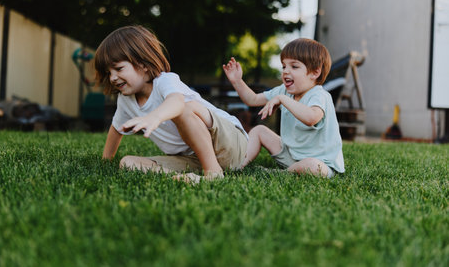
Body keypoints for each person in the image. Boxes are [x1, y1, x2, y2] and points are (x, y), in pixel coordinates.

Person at [95, 25, 247, 183]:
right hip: (193, 158)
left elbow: (176, 103)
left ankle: (213, 173)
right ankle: (186, 177)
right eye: (109, 72)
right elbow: (116, 129)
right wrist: (106, 162)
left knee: (183, 108)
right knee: (128, 163)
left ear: (143, 64)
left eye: (118, 69)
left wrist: (154, 117)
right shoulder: (125, 100)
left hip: (230, 144)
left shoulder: (165, 81)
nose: (112, 77)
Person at [223, 38, 344, 178]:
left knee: (312, 166)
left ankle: (280, 174)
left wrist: (283, 100)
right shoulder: (284, 91)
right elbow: (252, 99)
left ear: (314, 73)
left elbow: (311, 118)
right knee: (259, 130)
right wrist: (237, 81)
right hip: (291, 155)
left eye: (294, 66)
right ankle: (239, 165)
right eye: (284, 66)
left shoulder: (319, 95)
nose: (286, 71)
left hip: (321, 162)